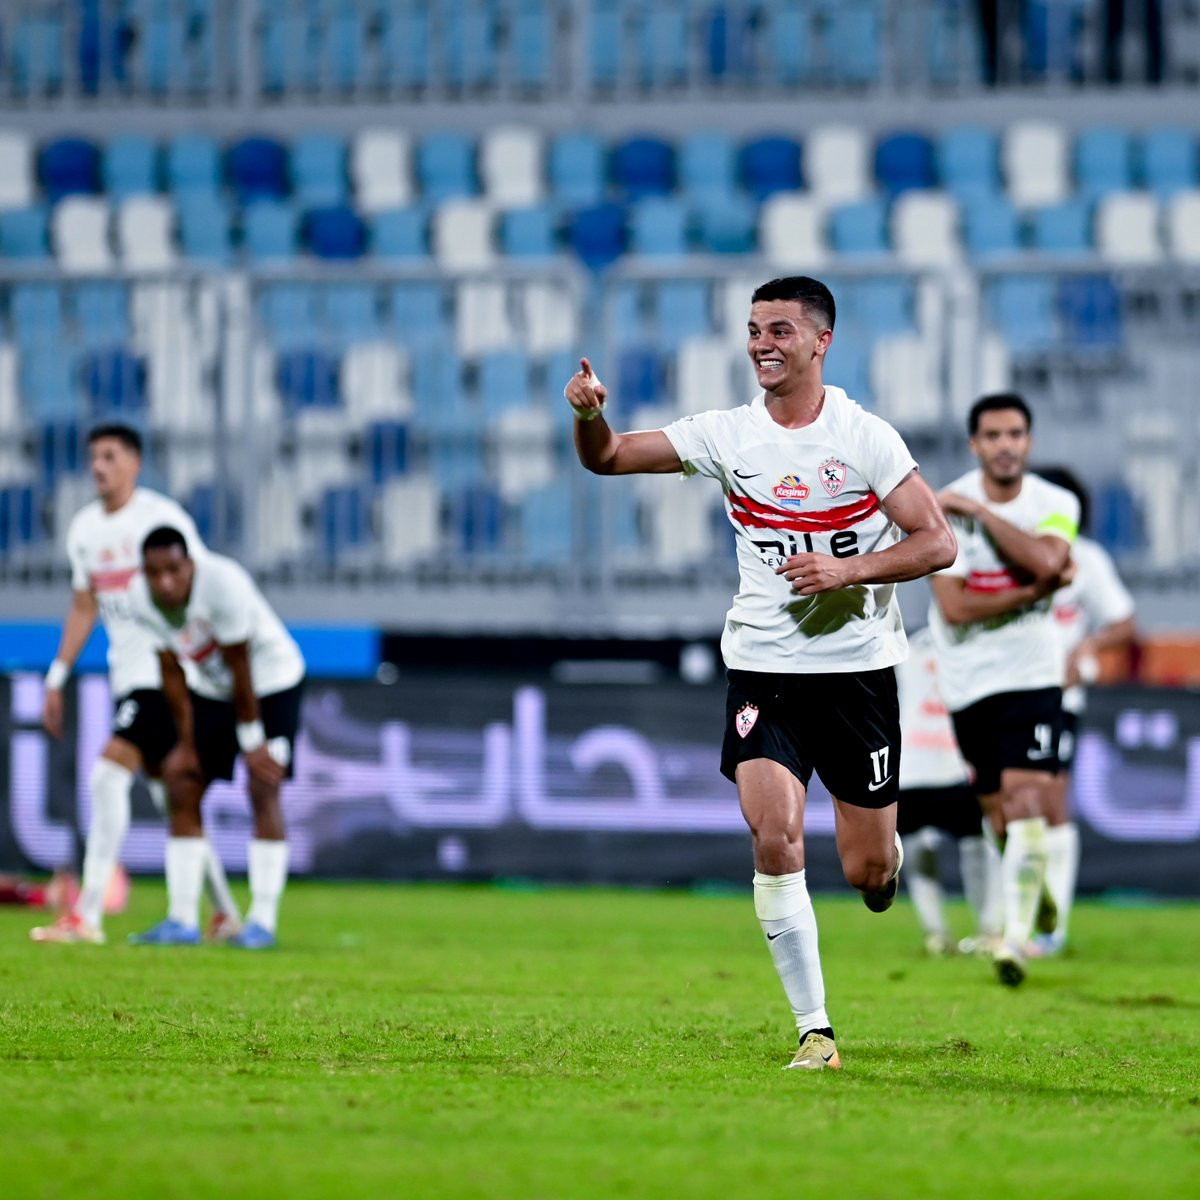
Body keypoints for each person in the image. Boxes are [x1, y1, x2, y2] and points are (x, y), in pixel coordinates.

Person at [564, 276, 956, 1070]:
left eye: (779, 330)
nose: (761, 345)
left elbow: (938, 543)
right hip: (763, 668)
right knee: (773, 835)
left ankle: (885, 865)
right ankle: (816, 1030)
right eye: (752, 330)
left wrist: (849, 571)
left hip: (857, 674)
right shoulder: (727, 434)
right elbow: (609, 458)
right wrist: (588, 416)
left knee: (868, 870)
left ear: (821, 341)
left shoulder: (865, 437)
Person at [31, 423, 242, 945]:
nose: (98, 467)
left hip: (164, 672)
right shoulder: (84, 529)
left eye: (110, 456)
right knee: (173, 798)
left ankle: (88, 916)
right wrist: (58, 675)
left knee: (107, 777)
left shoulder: (162, 520)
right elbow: (85, 606)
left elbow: (201, 588)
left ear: (135, 463)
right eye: (93, 457)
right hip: (127, 674)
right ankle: (225, 913)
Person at [927, 394, 1079, 987]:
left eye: (1015, 434)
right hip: (968, 682)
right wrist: (1036, 592)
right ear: (975, 444)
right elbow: (957, 608)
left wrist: (984, 515)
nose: (1005, 445)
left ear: (1029, 441)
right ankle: (1035, 895)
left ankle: (1016, 940)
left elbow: (1048, 557)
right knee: (999, 816)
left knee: (1026, 799)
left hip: (1033, 674)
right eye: (992, 435)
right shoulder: (942, 507)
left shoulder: (1056, 503)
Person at [126, 527, 305, 950]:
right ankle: (182, 919)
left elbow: (240, 667)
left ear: (190, 564)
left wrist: (253, 743)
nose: (165, 583)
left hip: (272, 683)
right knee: (181, 781)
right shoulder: (138, 598)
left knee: (263, 785)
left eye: (173, 570)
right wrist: (187, 743)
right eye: (155, 573)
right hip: (214, 689)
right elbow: (171, 669)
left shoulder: (224, 582)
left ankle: (261, 922)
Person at [1030, 465, 1136, 956]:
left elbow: (1123, 621)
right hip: (998, 692)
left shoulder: (1087, 559)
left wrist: (1087, 645)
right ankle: (1008, 918)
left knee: (1051, 800)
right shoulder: (1007, 551)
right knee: (1002, 807)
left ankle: (1051, 927)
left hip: (1056, 697)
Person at [895, 626, 1002, 957]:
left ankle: (938, 934)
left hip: (915, 765)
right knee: (975, 846)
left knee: (922, 849)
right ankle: (986, 930)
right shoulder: (980, 643)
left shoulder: (903, 642)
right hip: (953, 763)